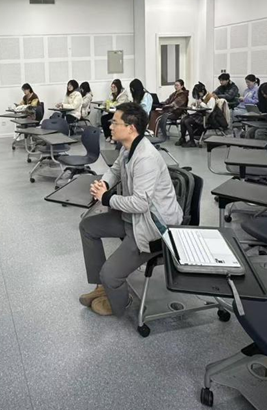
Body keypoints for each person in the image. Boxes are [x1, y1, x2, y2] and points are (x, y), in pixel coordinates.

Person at [78, 102, 183, 316]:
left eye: (115, 123)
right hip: (133, 218)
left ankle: (121, 303)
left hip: (153, 227)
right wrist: (104, 184)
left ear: (131, 127)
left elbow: (140, 204)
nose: (110, 126)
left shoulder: (145, 158)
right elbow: (115, 170)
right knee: (87, 226)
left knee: (110, 274)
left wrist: (106, 198)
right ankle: (103, 288)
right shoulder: (128, 149)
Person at [176, 82, 213, 147]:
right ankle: (182, 138)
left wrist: (201, 103)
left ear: (202, 91)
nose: (199, 96)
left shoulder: (211, 98)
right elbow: (199, 106)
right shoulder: (201, 97)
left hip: (206, 116)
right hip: (199, 114)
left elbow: (210, 110)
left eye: (199, 93)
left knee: (187, 121)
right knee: (183, 120)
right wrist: (195, 105)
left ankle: (192, 141)